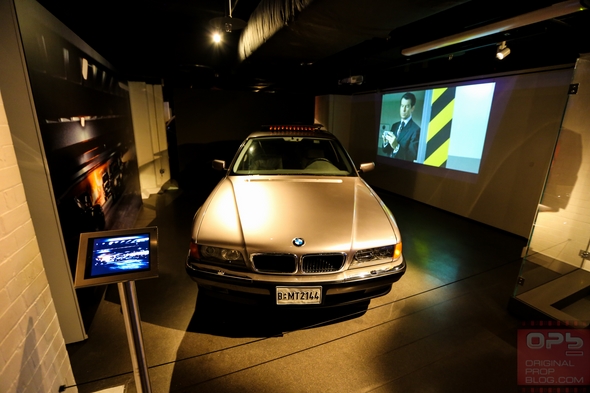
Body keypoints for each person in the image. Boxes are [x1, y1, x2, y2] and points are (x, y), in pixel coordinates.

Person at [380, 92, 420, 161]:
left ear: (412, 108)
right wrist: (385, 142)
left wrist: (396, 146)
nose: (403, 110)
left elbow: (411, 157)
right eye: (402, 106)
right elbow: (386, 150)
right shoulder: (395, 125)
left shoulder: (416, 129)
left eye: (407, 106)